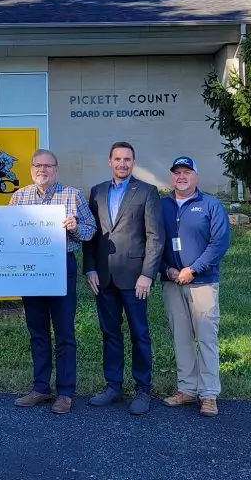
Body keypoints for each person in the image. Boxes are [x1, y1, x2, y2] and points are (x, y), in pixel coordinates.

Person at [8, 149, 96, 414]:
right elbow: (4, 230)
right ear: (31, 168)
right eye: (37, 165)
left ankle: (66, 393)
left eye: (48, 166)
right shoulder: (19, 196)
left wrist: (74, 228)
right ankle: (40, 388)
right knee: (37, 331)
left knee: (65, 332)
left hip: (61, 265)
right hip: (30, 269)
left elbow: (91, 230)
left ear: (56, 169)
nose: (42, 170)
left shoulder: (73, 195)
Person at [83, 141, 164, 415]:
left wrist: (147, 274)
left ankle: (143, 390)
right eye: (117, 159)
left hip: (135, 279)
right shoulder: (97, 192)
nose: (122, 164)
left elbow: (155, 237)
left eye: (127, 159)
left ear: (133, 162)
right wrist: (90, 268)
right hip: (103, 278)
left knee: (140, 334)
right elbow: (90, 235)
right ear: (109, 161)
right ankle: (113, 386)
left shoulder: (147, 192)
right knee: (110, 333)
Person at [159, 157, 230, 417]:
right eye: (177, 172)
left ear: (196, 177)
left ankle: (209, 393)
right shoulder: (162, 205)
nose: (181, 176)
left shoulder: (210, 204)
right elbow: (155, 242)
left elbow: (219, 243)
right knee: (181, 338)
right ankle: (187, 389)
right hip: (171, 281)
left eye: (186, 172)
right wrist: (167, 268)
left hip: (202, 282)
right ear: (171, 177)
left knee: (206, 337)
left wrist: (193, 269)